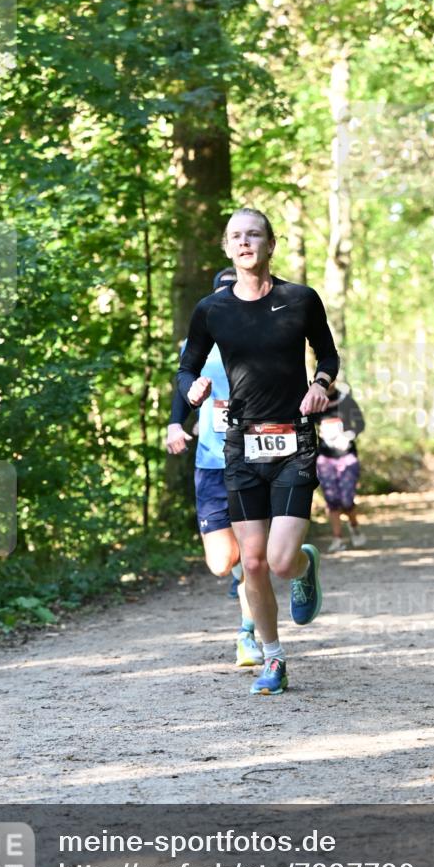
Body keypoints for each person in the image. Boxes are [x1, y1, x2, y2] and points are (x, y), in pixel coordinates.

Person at [177, 207, 339, 696]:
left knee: (282, 562)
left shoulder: (300, 299)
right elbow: (186, 369)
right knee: (252, 563)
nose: (245, 242)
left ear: (271, 243)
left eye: (254, 234)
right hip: (241, 444)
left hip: (293, 440)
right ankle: (273, 657)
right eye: (236, 236)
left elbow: (327, 353)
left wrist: (321, 384)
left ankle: (304, 567)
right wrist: (193, 390)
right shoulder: (212, 309)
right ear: (227, 248)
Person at [167, 268, 264, 668]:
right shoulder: (196, 344)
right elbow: (183, 388)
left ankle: (248, 635)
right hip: (210, 459)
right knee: (223, 562)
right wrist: (176, 423)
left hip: (256, 456)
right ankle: (246, 574)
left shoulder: (263, 336)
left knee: (254, 559)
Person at [315, 383, 366, 552]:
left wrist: (348, 435)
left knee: (346, 499)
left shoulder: (346, 401)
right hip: (325, 458)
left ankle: (354, 526)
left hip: (347, 457)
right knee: (332, 500)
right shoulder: (315, 401)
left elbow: (360, 423)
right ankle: (337, 538)